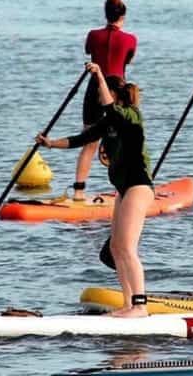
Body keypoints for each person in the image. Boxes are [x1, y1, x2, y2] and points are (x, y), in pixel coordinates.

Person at [36, 62, 152, 318]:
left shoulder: (131, 115)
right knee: (117, 248)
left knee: (128, 248)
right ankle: (128, 304)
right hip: (124, 190)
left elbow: (112, 109)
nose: (100, 98)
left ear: (115, 95)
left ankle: (140, 306)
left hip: (138, 186)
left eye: (103, 93)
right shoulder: (107, 123)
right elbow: (80, 140)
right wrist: (50, 144)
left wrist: (99, 74)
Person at [74, 0, 138, 201]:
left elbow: (89, 51)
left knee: (89, 141)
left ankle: (78, 191)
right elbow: (129, 59)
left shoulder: (93, 35)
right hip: (116, 92)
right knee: (123, 140)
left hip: (94, 90)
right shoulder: (130, 39)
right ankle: (127, 187)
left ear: (106, 13)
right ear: (123, 15)